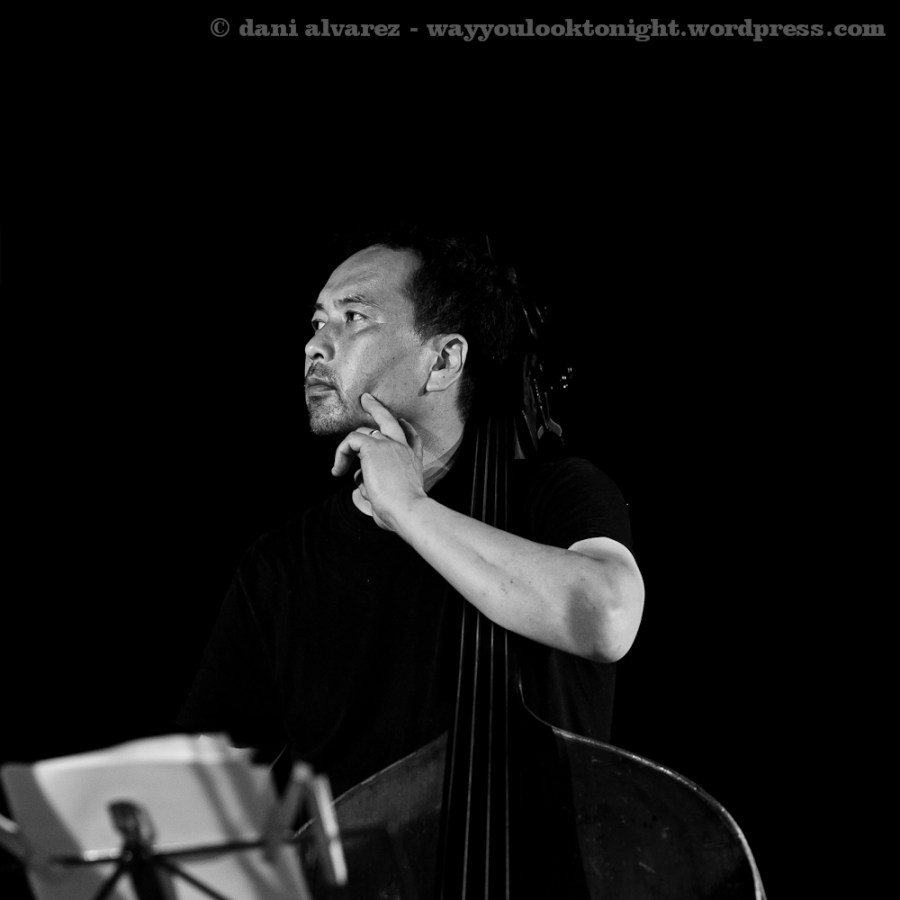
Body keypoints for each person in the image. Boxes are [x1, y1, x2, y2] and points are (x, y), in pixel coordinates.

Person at [177, 227, 645, 806]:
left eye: (353, 317)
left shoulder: (555, 493)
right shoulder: (279, 564)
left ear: (443, 360)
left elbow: (605, 618)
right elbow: (205, 788)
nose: (315, 345)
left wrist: (407, 507)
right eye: (317, 322)